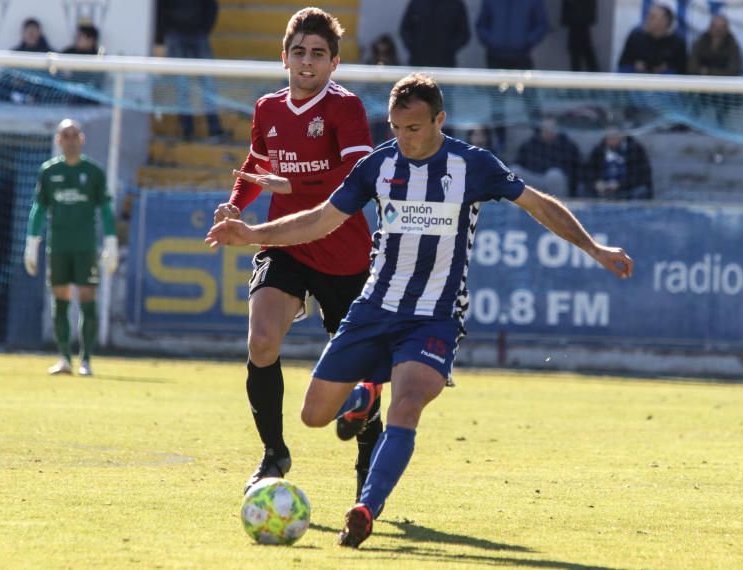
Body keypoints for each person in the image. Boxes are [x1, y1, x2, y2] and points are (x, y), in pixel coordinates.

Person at [205, 73, 634, 548]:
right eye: (394, 128)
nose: (403, 138)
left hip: (435, 315)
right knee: (312, 416)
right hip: (373, 307)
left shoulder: (472, 165)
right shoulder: (377, 166)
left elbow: (538, 205)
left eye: (413, 128)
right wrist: (253, 234)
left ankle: (366, 507)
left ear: (439, 120)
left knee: (407, 405)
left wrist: (593, 248)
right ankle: (366, 390)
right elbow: (322, 219)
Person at [214, 7, 383, 500]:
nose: (307, 62)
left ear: (334, 63)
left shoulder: (345, 108)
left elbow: (360, 177)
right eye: (299, 52)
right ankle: (273, 455)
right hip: (285, 244)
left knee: (358, 371)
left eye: (318, 54)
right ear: (283, 57)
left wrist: (293, 182)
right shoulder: (267, 107)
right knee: (262, 342)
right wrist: (236, 204)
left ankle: (368, 456)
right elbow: (257, 162)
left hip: (343, 251)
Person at [23, 119, 118, 377]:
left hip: (86, 247)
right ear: (58, 140)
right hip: (59, 246)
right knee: (60, 298)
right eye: (66, 135)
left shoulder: (94, 172)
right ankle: (64, 357)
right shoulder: (48, 171)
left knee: (88, 297)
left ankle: (86, 359)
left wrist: (111, 241)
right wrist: (32, 243)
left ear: (82, 139)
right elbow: (39, 208)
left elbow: (106, 209)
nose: (71, 139)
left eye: (75, 134)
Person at [157, 0, 224, 140]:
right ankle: (187, 129)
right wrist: (162, 36)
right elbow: (161, 9)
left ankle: (214, 128)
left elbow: (211, 6)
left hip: (199, 34)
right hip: (175, 34)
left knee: (208, 83)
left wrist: (204, 29)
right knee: (182, 84)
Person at [0, 19, 52, 103]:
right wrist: (14, 79)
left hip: (38, 87)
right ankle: (21, 98)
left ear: (39, 33)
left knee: (52, 92)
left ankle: (18, 97)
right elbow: (6, 74)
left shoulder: (48, 52)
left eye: (33, 31)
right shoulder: (15, 51)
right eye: (28, 31)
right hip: (20, 87)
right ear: (23, 33)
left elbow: (53, 75)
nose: (31, 34)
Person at [514, 116, 582, 197]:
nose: (548, 130)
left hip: (555, 184)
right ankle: (514, 207)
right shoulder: (530, 144)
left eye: (551, 128)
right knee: (514, 171)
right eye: (545, 128)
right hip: (533, 181)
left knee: (554, 175)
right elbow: (518, 162)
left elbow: (576, 172)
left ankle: (556, 207)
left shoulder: (568, 146)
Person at [475, 0, 548, 70]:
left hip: (522, 57)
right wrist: (491, 40)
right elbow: (481, 25)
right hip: (494, 57)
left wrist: (526, 41)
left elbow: (541, 25)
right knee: (496, 82)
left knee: (522, 82)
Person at [587, 127, 653, 200]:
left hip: (628, 190)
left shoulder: (634, 149)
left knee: (641, 191)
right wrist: (596, 183)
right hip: (603, 191)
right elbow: (589, 172)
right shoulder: (598, 151)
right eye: (609, 136)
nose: (612, 139)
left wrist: (620, 184)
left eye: (615, 136)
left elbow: (642, 176)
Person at [400, 0, 470, 68]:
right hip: (418, 61)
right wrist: (414, 47)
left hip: (445, 62)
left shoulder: (456, 4)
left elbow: (463, 33)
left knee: (443, 79)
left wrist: (449, 49)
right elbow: (405, 29)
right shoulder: (417, 2)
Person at [618, 5, 687, 74]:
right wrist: (634, 64)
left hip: (665, 80)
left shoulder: (677, 41)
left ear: (665, 21)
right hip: (638, 77)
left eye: (652, 17)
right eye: (648, 16)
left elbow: (682, 68)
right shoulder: (635, 36)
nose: (648, 19)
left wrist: (666, 67)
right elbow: (623, 63)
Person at [561, 0, 599, 71]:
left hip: (579, 21)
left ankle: (593, 74)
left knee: (579, 51)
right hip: (577, 20)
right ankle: (594, 74)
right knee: (582, 50)